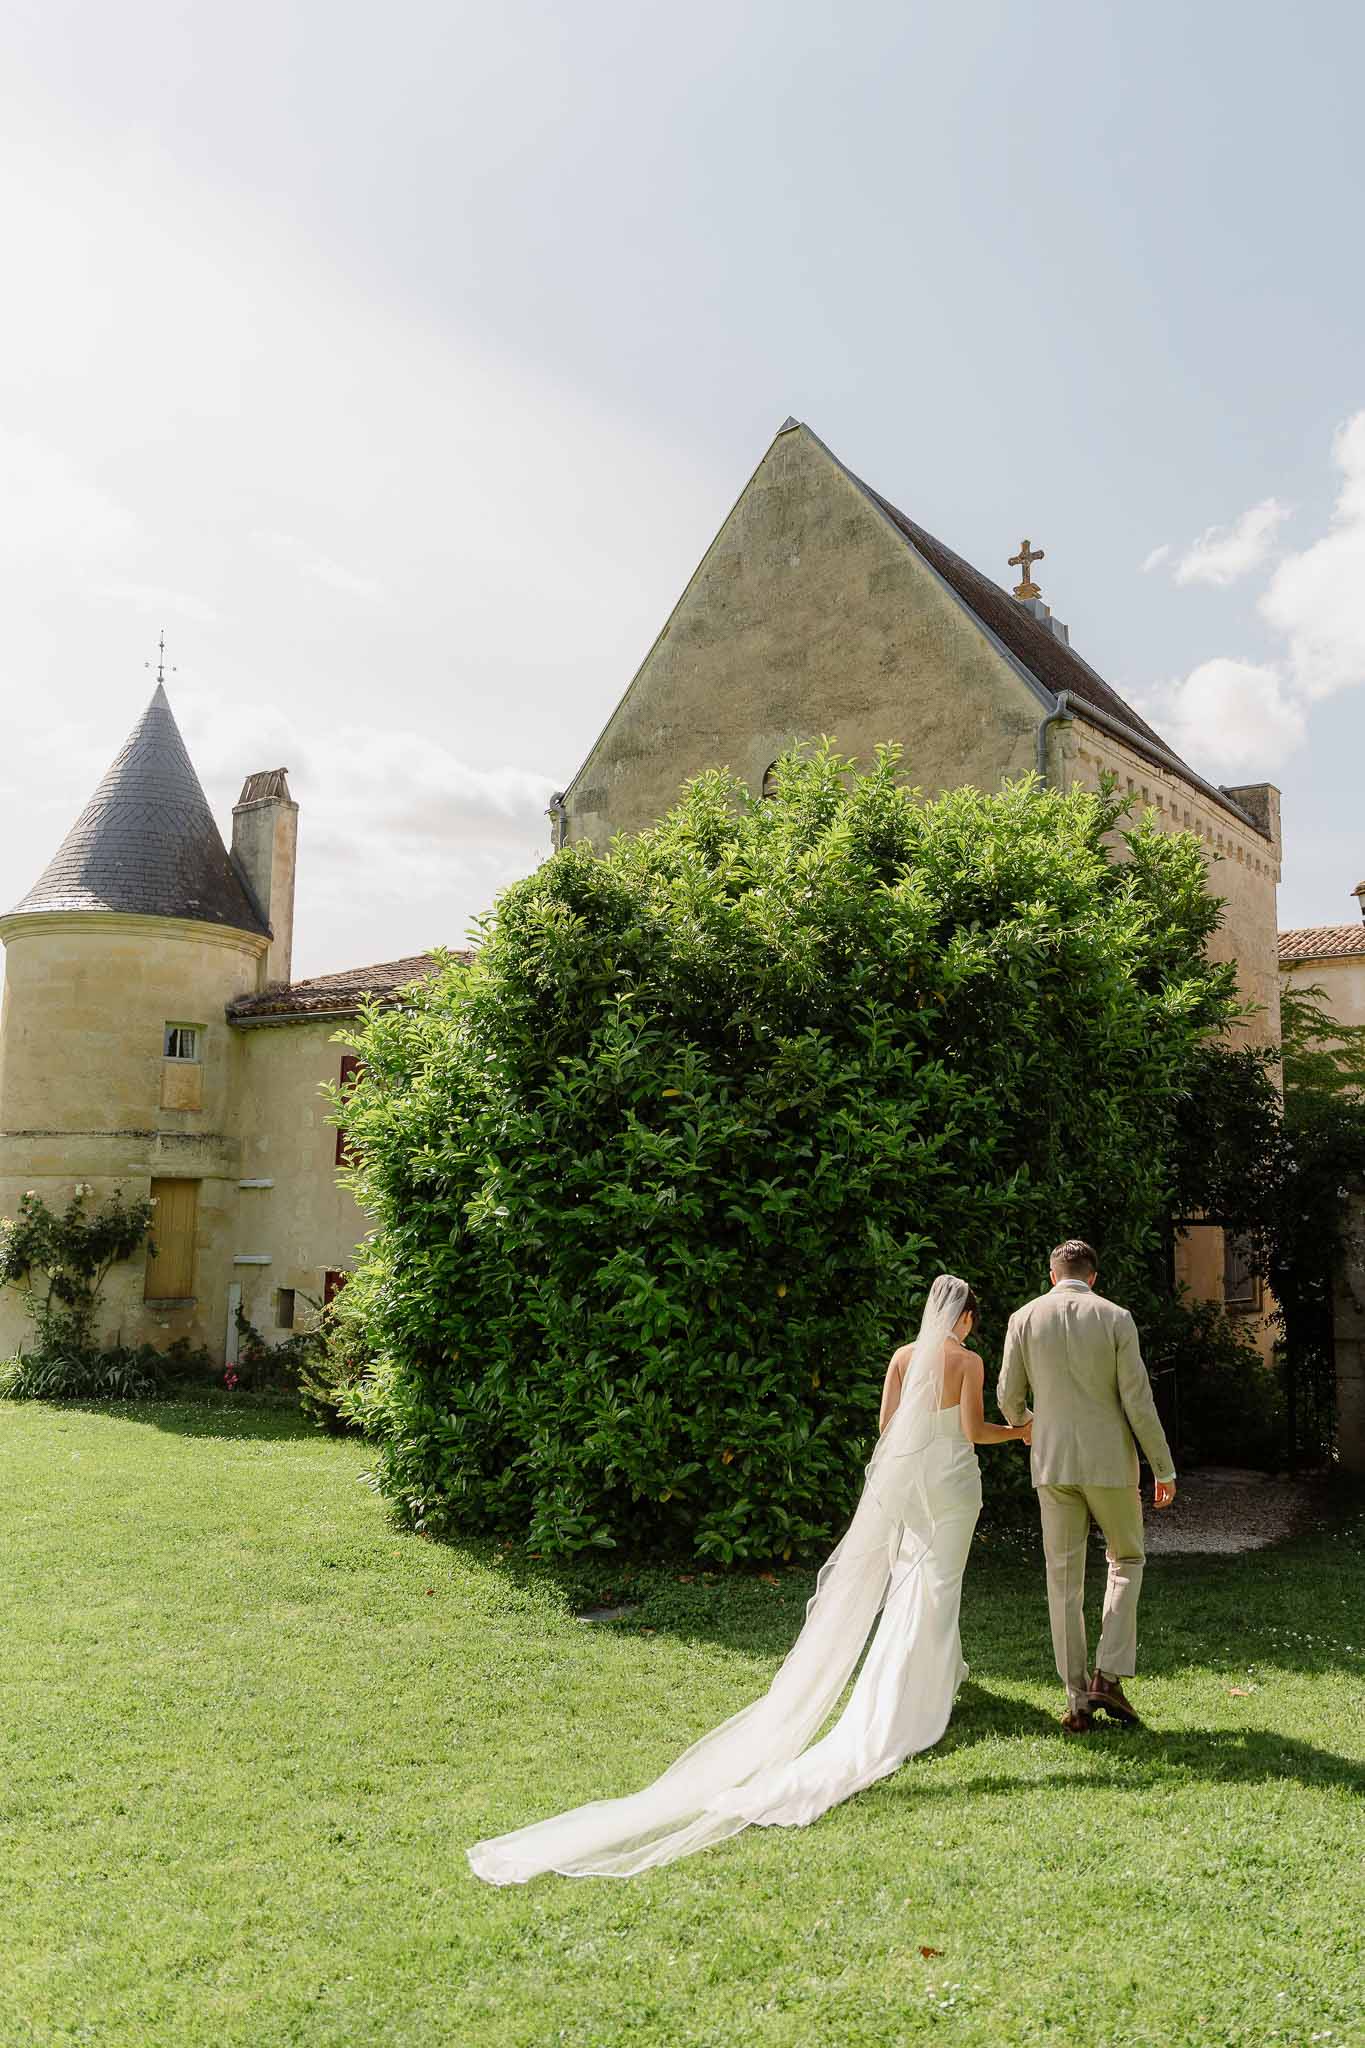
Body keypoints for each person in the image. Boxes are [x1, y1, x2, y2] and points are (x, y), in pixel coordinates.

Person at [468, 1273, 1029, 1885]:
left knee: (911, 1586)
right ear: (967, 1318)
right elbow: (974, 1431)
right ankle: (913, 1700)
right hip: (951, 1488)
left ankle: (934, 1676)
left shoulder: (902, 1357)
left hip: (910, 1485)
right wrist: (1021, 1432)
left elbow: (886, 1430)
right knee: (938, 1586)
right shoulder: (969, 1361)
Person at [998, 1238, 1176, 1735]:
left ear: (1053, 1275)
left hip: (1051, 1464)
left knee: (1063, 1582)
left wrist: (1036, 1423)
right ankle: (1108, 1673)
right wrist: (1163, 1467)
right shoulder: (1115, 1317)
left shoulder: (1023, 1318)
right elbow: (1138, 1401)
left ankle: (1077, 1701)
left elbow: (1008, 1401)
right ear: (1092, 1276)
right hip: (1109, 1463)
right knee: (1128, 1559)